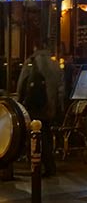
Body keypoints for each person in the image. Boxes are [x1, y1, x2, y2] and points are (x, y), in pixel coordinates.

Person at [16, 42, 63, 177]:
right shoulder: (55, 64)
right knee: (46, 135)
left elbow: (21, 84)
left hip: (34, 106)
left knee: (33, 136)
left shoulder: (30, 62)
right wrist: (56, 105)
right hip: (48, 107)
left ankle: (35, 165)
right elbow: (61, 88)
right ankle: (49, 166)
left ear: (36, 48)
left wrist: (20, 101)